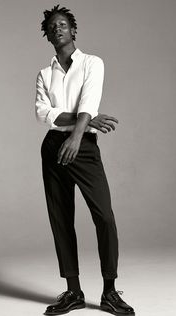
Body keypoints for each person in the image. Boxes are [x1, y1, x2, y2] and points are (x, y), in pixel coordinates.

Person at [35, 5, 135, 315]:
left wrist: (78, 135)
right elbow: (43, 114)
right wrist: (85, 119)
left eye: (63, 24)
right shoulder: (44, 73)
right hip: (53, 147)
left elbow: (89, 99)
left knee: (103, 215)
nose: (58, 29)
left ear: (73, 30)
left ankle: (109, 291)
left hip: (84, 147)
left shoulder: (92, 63)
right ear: (47, 35)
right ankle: (73, 291)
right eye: (52, 27)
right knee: (60, 218)